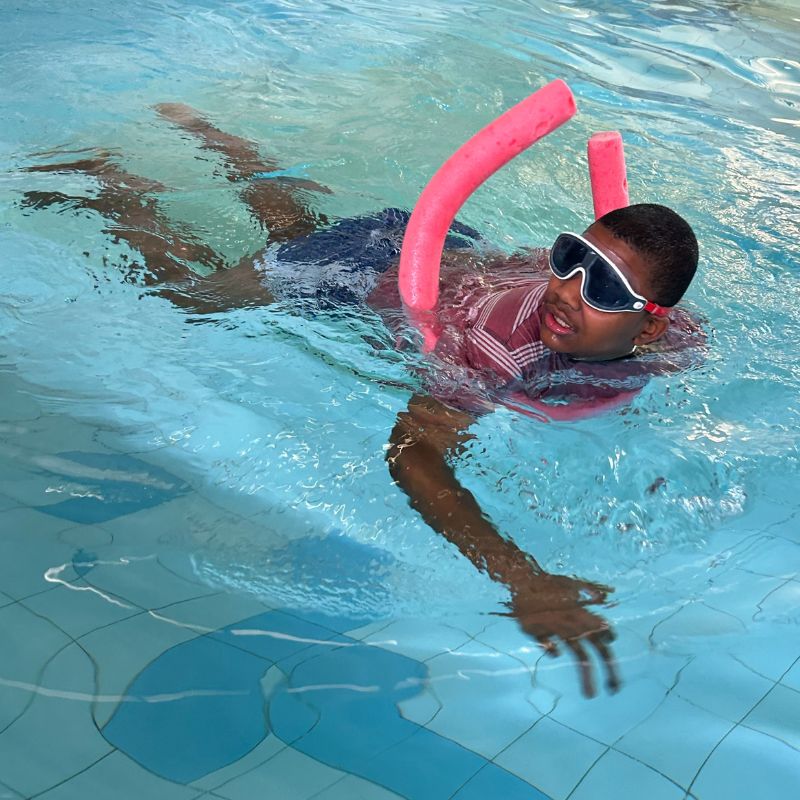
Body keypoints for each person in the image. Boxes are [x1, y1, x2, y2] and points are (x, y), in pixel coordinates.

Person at [21, 103, 703, 696]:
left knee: (298, 230)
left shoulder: (678, 342)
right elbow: (413, 457)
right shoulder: (501, 354)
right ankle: (113, 184)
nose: (565, 290)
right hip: (365, 271)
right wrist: (520, 577)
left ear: (653, 324)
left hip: (438, 247)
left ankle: (213, 138)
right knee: (191, 300)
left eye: (603, 288)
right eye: (568, 258)